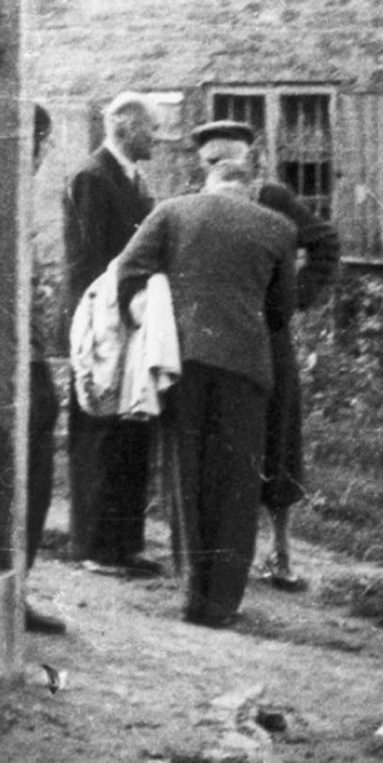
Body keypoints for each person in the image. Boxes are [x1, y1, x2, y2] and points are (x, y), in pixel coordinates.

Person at [116, 156, 298, 628]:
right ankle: (221, 605)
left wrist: (152, 315)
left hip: (184, 360)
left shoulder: (173, 212)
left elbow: (129, 269)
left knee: (187, 476)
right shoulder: (278, 227)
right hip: (245, 367)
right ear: (250, 190)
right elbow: (281, 311)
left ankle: (191, 594)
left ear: (209, 185)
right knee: (236, 486)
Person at [191, 121, 340, 592]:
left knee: (277, 438)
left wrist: (296, 299)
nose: (223, 167)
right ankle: (215, 554)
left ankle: (281, 552)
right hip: (212, 340)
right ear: (203, 165)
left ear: (253, 159)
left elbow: (325, 242)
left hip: (265, 336)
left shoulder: (272, 198)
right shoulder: (194, 205)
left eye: (232, 158)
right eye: (213, 160)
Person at [61, 91, 162, 576]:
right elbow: (85, 263)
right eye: (150, 128)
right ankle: (95, 547)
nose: (157, 138)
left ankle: (125, 543)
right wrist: (98, 327)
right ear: (124, 126)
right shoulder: (91, 178)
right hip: (102, 321)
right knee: (99, 430)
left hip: (133, 321)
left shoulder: (135, 181)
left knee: (131, 428)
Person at [25, 105, 68, 634]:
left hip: (27, 350)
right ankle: (13, 584)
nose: (40, 158)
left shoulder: (19, 198)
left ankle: (18, 582)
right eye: (39, 146)